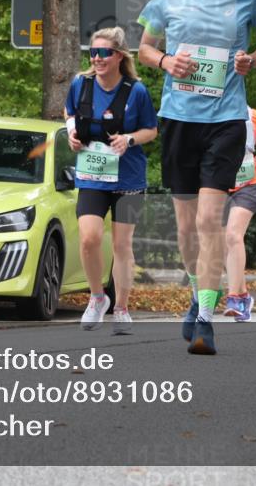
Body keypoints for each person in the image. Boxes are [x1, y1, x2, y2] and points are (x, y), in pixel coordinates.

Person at [137, 0, 256, 354]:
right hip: (180, 119)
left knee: (208, 221)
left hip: (225, 120)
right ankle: (198, 296)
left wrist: (251, 61)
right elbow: (143, 48)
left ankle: (205, 318)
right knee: (185, 229)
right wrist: (165, 62)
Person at [63, 27, 158, 334]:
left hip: (128, 177)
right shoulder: (82, 84)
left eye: (104, 53)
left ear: (119, 56)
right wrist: (71, 135)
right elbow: (68, 113)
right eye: (93, 52)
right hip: (92, 175)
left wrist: (129, 139)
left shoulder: (136, 91)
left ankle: (121, 307)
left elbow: (151, 130)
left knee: (121, 244)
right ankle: (96, 298)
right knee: (89, 238)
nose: (97, 58)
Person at [222, 106, 256, 322]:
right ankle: (244, 296)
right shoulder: (209, 112)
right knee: (225, 244)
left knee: (233, 235)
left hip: (249, 183)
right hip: (219, 184)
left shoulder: (254, 116)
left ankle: (233, 298)